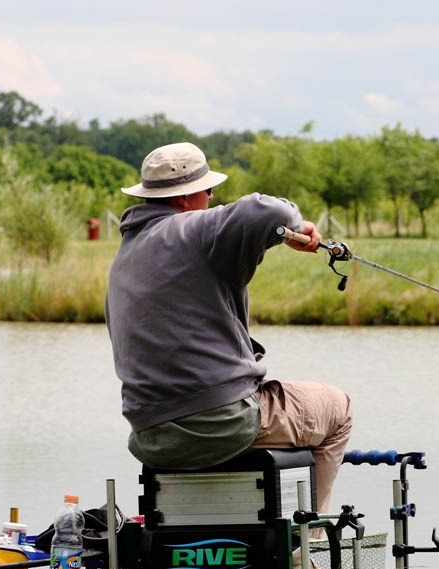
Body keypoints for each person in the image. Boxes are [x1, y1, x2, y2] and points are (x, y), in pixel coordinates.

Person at [105, 142, 352, 515]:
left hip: (151, 436)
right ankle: (307, 546)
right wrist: (297, 229)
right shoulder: (196, 227)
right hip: (220, 424)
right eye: (208, 191)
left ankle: (217, 533)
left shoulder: (127, 254)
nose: (211, 198)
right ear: (188, 197)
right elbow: (265, 210)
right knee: (338, 408)